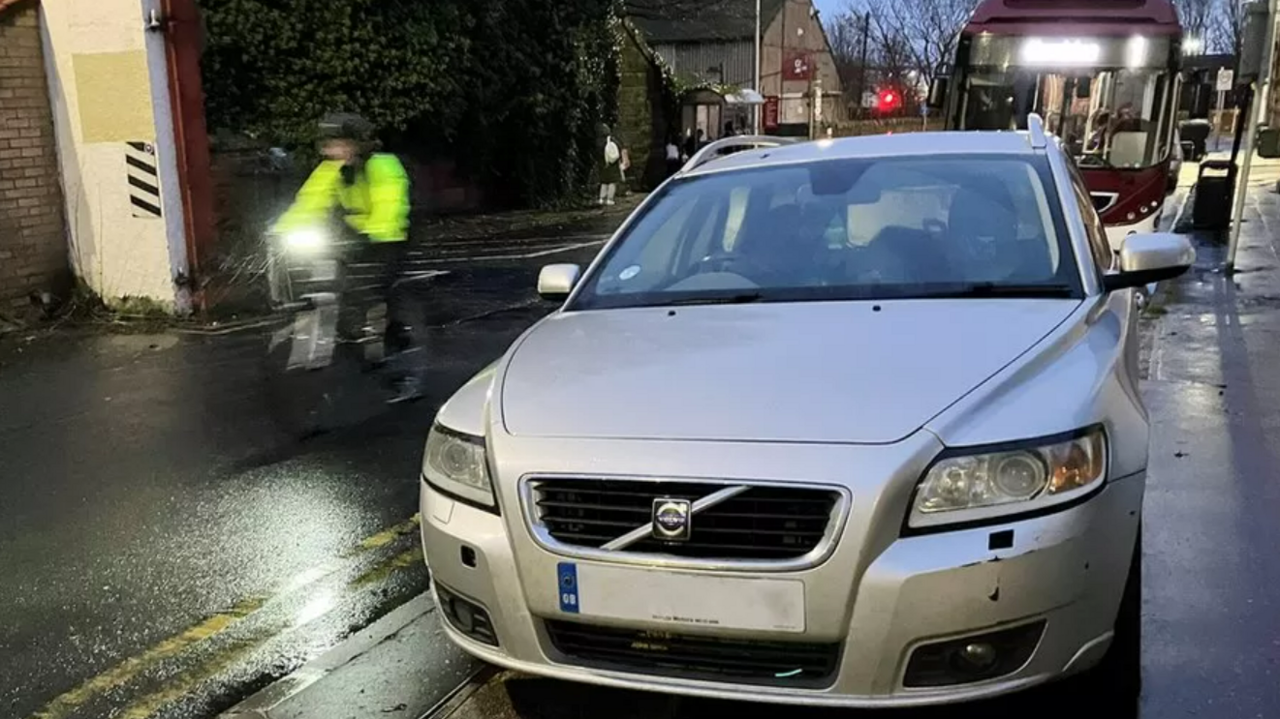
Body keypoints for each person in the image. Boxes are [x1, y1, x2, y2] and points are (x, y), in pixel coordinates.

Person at [274, 112, 420, 403]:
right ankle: (350, 339)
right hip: (356, 237)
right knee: (334, 288)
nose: (332, 151)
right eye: (328, 145)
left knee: (374, 292)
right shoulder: (331, 170)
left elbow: (390, 205)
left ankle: (395, 355)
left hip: (390, 236)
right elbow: (308, 203)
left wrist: (374, 233)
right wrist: (281, 231)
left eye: (339, 144)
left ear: (358, 144)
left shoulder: (383, 166)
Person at [599, 128, 623, 206]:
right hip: (612, 164)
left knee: (604, 182)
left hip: (602, 164)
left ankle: (602, 198)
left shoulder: (598, 142)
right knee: (612, 182)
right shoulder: (612, 140)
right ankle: (610, 199)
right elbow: (619, 148)